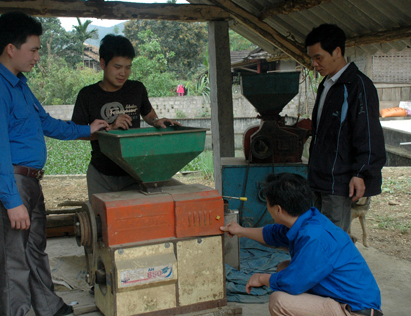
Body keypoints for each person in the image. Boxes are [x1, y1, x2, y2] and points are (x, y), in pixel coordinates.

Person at [0, 11, 110, 316]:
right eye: (33, 49)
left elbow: (46, 123)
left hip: (29, 182)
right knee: (12, 261)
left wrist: (87, 130)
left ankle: (48, 306)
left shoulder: (20, 86)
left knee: (35, 250)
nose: (37, 56)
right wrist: (10, 201)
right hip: (10, 183)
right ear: (11, 48)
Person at [220, 173, 382, 316]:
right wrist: (240, 230)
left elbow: (292, 283)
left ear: (278, 210)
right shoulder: (309, 219)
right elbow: (273, 234)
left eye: (268, 204)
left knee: (279, 301)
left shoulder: (314, 237)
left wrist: (261, 278)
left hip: (354, 311)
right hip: (347, 300)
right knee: (284, 267)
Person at [71, 34, 180, 201]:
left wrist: (156, 121)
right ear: (102, 64)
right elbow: (77, 132)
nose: (123, 73)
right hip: (101, 174)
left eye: (128, 67)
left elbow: (149, 114)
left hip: (134, 171)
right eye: (117, 67)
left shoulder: (136, 89)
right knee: (101, 221)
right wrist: (111, 129)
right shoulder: (87, 95)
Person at [305, 24, 386, 232]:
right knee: (317, 236)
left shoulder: (358, 86)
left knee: (333, 240)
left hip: (339, 181)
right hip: (319, 178)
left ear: (337, 52)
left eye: (319, 57)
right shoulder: (327, 85)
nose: (314, 64)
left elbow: (367, 133)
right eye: (312, 58)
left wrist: (360, 173)